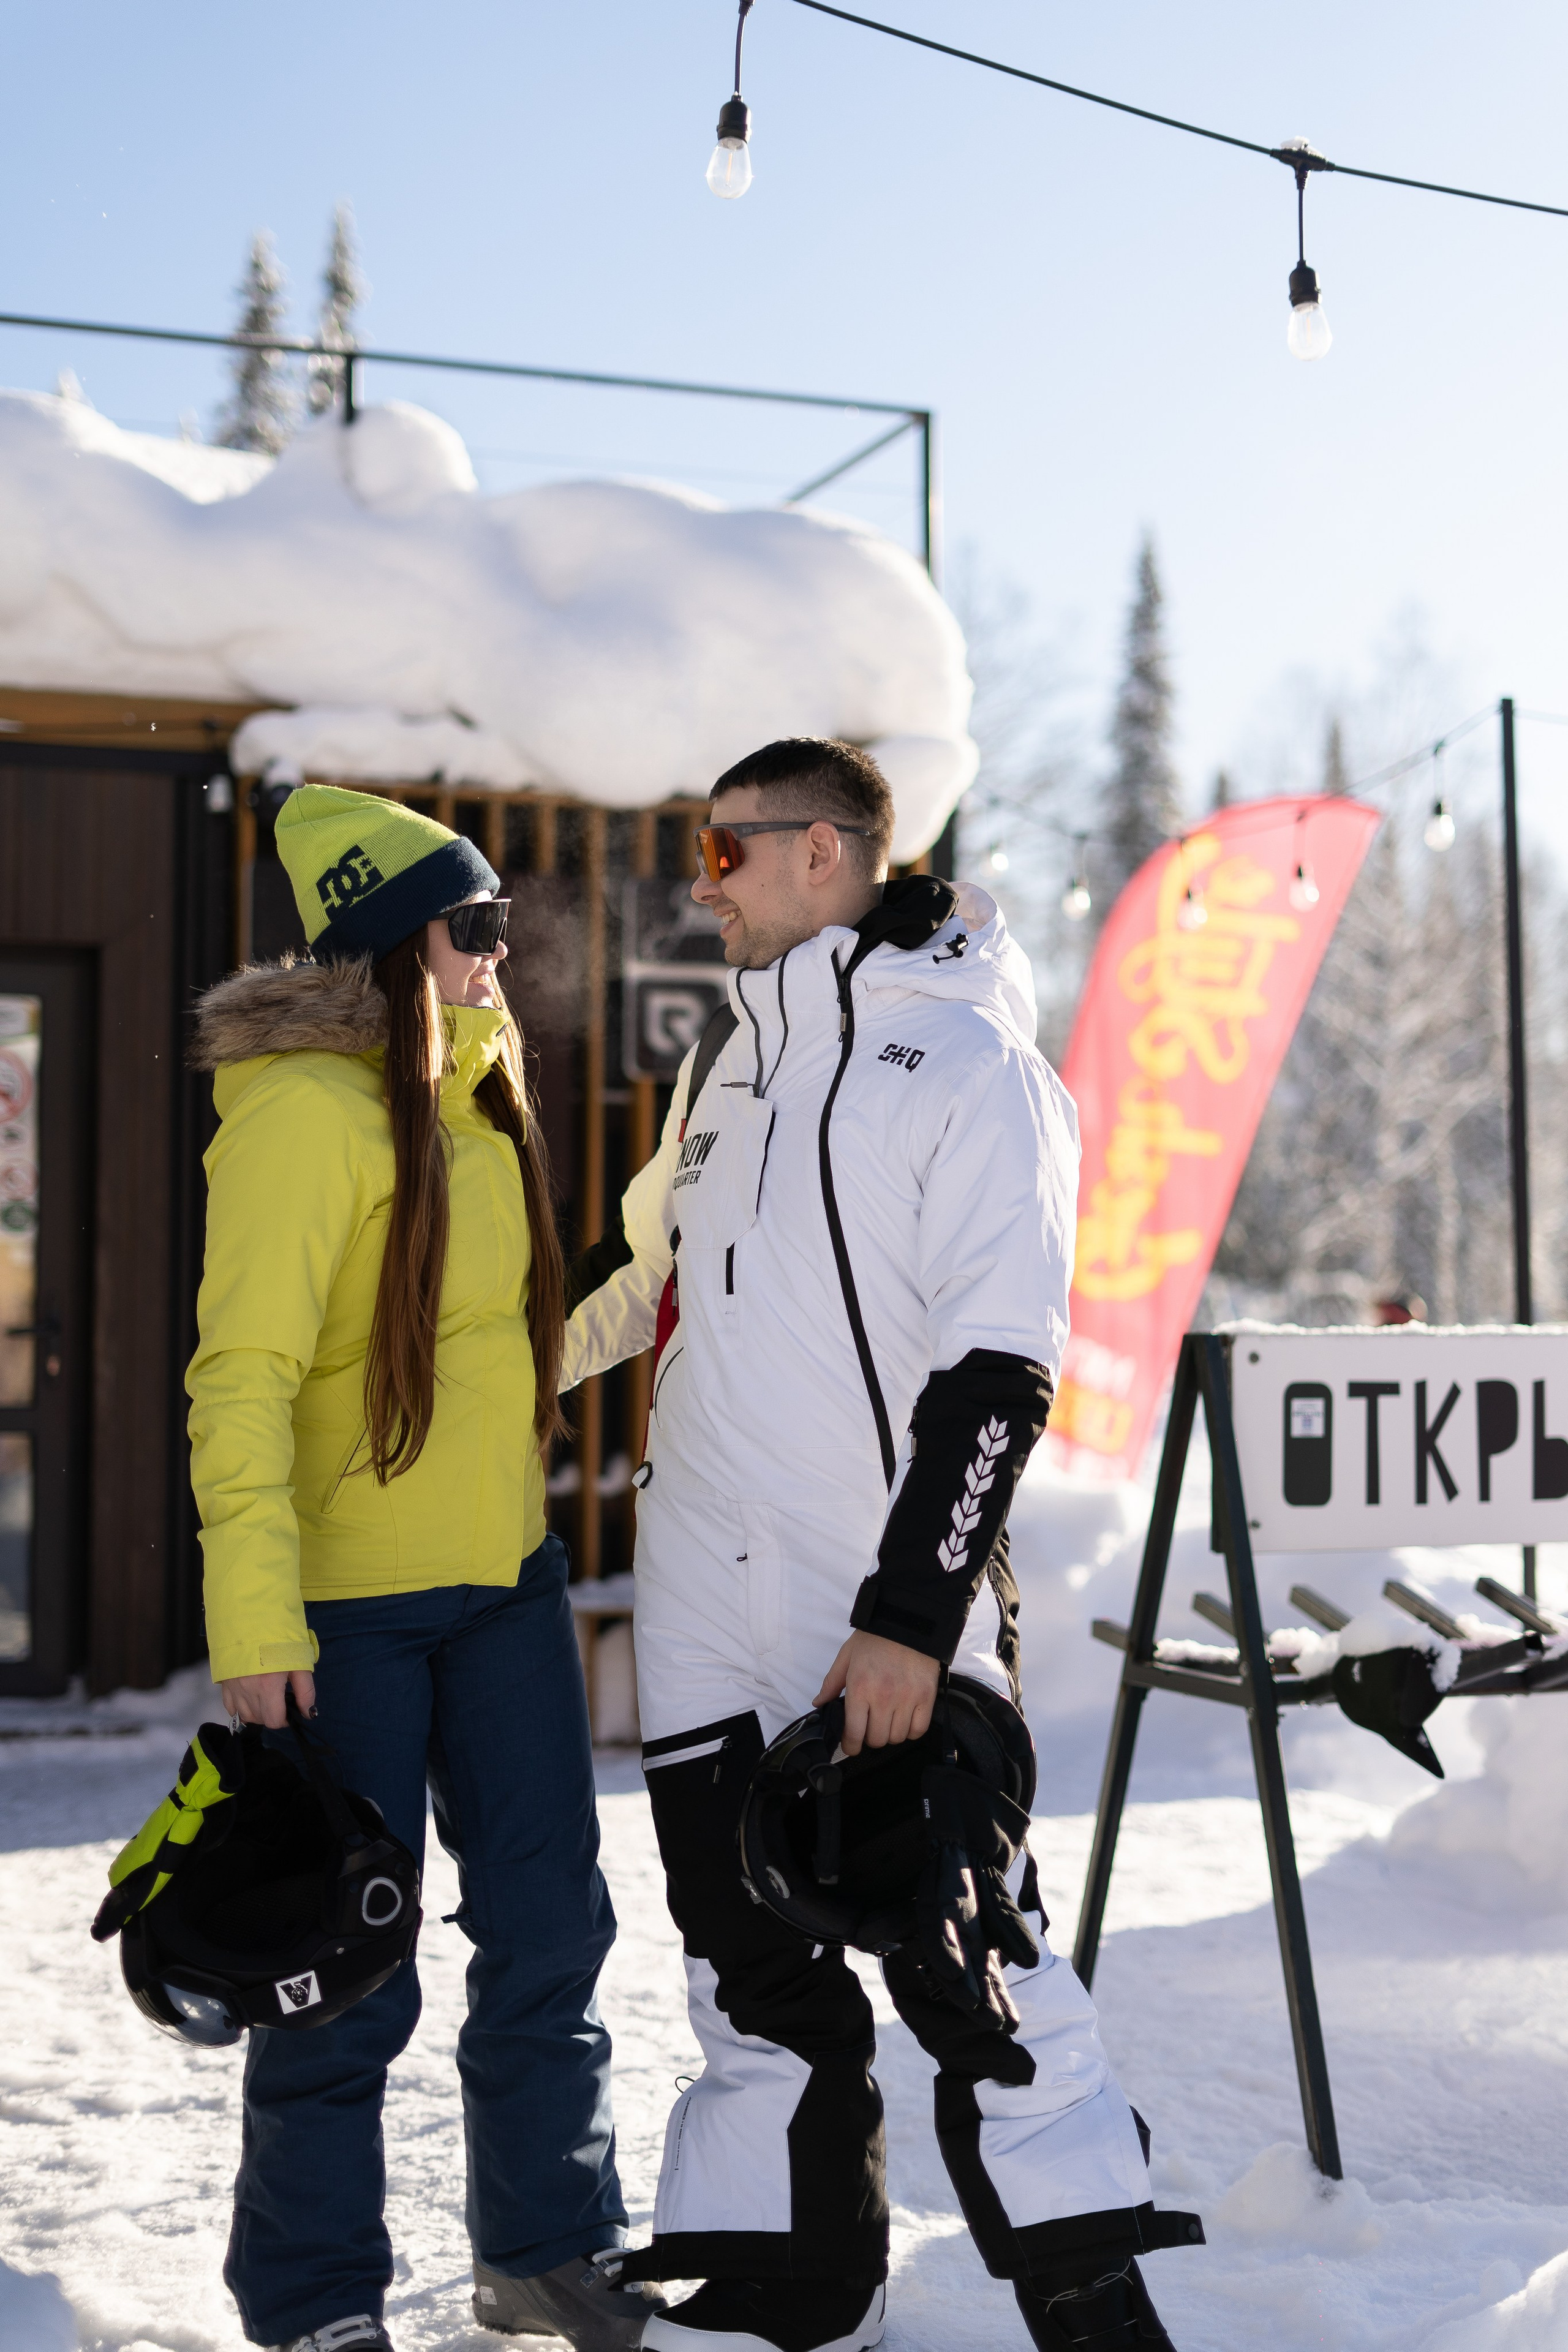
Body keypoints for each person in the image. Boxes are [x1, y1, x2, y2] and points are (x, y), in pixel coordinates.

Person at [564, 741, 1196, 2352]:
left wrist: (913, 1619)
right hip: (705, 1587)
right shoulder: (734, 1067)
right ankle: (789, 2276)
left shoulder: (972, 1065)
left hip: (878, 1598)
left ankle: (1088, 2294)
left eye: (726, 852)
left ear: (829, 855)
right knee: (740, 1958)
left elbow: (1003, 1369)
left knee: (967, 1952)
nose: (700, 885)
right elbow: (651, 1278)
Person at [187, 785, 655, 2352]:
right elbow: (239, 1378)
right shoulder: (304, 1117)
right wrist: (254, 1617)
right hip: (348, 1618)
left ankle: (546, 2248)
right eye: (472, 929)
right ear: (397, 946)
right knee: (342, 1970)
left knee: (548, 1932)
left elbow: (498, 1359)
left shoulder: (482, 1094)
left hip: (502, 1588)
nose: (499, 955)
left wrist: (653, 1273)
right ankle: (315, 2302)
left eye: (503, 927)